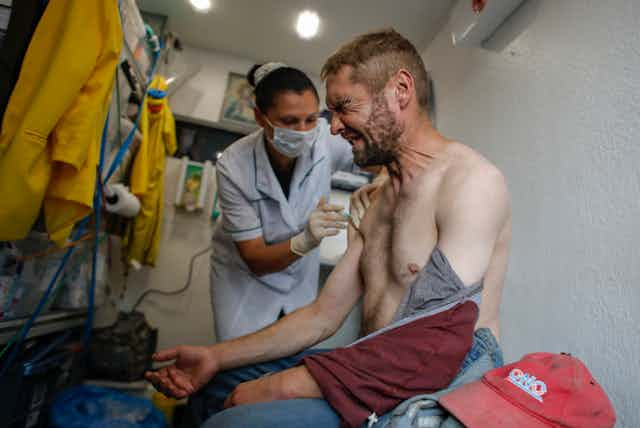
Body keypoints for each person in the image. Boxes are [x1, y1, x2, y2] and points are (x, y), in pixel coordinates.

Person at [146, 29, 512, 428]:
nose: (332, 128)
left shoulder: (471, 182)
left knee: (231, 421)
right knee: (223, 398)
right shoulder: (379, 200)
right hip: (378, 386)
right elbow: (322, 315)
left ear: (400, 90)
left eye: (343, 107)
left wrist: (283, 386)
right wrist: (216, 356)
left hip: (439, 392)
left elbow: (434, 343)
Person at [209, 62, 358, 341]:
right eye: (290, 121)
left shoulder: (325, 138)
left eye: (311, 119)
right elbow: (255, 258)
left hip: (299, 279)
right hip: (245, 282)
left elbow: (374, 157)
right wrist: (305, 241)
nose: (303, 131)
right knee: (235, 360)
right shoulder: (234, 166)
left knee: (290, 356)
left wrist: (385, 178)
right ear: (259, 117)